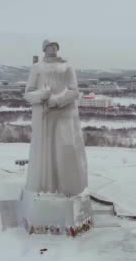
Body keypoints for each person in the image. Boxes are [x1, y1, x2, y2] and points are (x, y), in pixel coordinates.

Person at [23, 40, 88, 197]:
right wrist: (42, 95)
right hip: (44, 116)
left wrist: (57, 100)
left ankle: (69, 188)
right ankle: (46, 188)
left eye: (55, 46)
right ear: (44, 49)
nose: (53, 49)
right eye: (49, 46)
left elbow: (74, 91)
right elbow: (28, 93)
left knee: (66, 149)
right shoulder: (37, 67)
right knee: (44, 154)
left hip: (65, 114)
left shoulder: (67, 66)